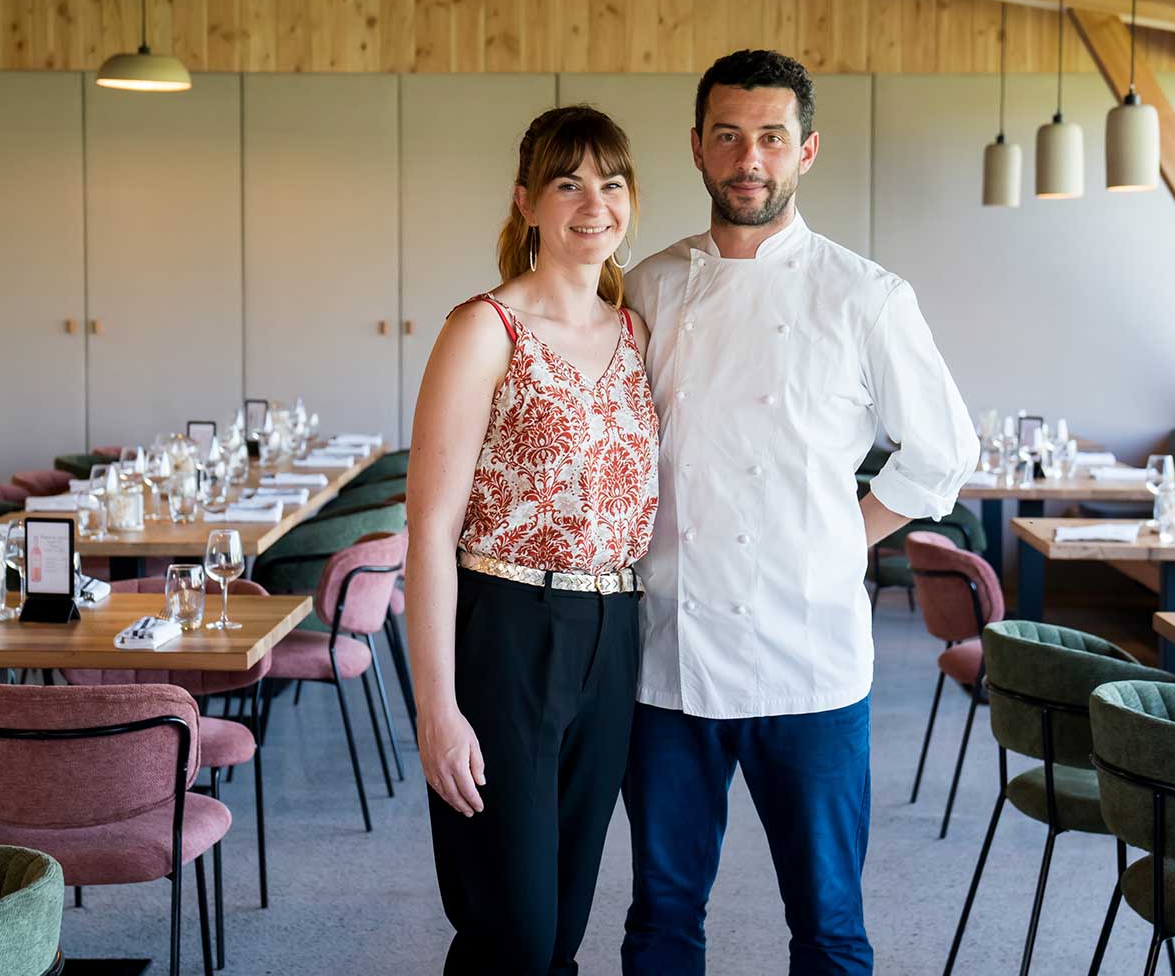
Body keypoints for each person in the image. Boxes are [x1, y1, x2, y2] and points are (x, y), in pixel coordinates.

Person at [621, 49, 981, 975]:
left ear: (806, 152)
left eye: (772, 138)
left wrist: (839, 536)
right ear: (697, 149)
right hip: (670, 653)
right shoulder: (649, 287)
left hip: (812, 661)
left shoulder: (864, 295)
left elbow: (943, 452)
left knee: (827, 922)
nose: (751, 158)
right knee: (661, 914)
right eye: (730, 136)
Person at [405, 105, 660, 975]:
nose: (595, 203)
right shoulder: (483, 329)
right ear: (527, 203)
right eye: (568, 183)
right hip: (507, 628)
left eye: (612, 183)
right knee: (507, 927)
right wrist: (435, 709)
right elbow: (430, 530)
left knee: (562, 927)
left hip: (614, 632)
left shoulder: (635, 334)